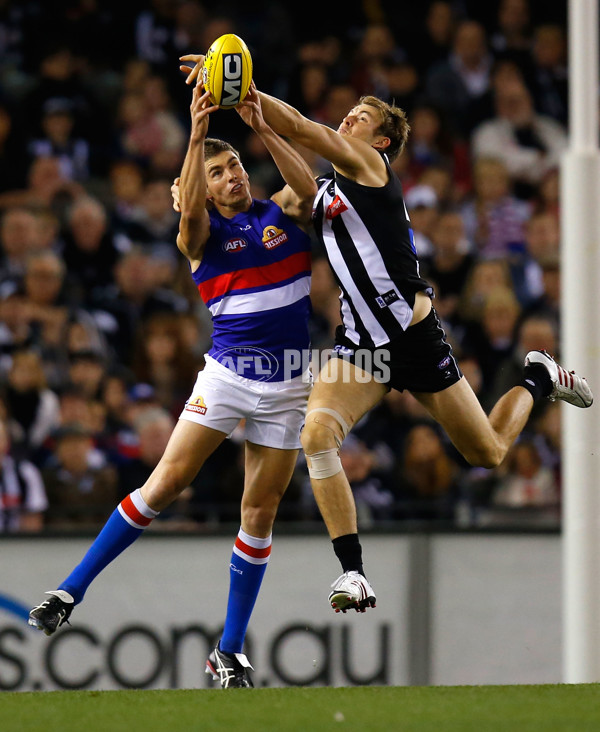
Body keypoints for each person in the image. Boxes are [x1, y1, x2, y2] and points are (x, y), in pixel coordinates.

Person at [180, 55, 593, 617]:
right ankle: (353, 573)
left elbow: (305, 128)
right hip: (362, 349)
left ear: (381, 143)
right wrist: (236, 145)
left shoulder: (371, 171)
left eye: (360, 118)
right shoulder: (330, 186)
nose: (349, 120)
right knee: (317, 434)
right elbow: (286, 195)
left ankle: (537, 377)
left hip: (415, 342)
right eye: (348, 114)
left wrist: (247, 88)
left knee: (488, 452)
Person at [29, 80, 317, 689]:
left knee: (259, 513)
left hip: (290, 384)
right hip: (231, 377)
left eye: (234, 164)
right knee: (166, 483)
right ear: (200, 185)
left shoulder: (281, 212)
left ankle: (229, 651)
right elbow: (187, 215)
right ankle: (69, 591)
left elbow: (313, 190)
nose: (233, 175)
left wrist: (261, 125)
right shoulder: (199, 237)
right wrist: (193, 133)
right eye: (218, 170)